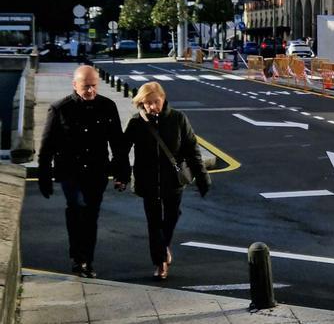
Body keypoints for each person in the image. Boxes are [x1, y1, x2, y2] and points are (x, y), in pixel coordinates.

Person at [38, 65, 128, 279]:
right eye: (86, 86)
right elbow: (46, 146)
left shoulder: (108, 106)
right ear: (75, 85)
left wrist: (121, 174)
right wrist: (44, 178)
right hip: (70, 172)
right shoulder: (60, 109)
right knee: (77, 206)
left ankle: (86, 260)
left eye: (94, 86)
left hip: (97, 172)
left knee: (91, 215)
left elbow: (118, 144)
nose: (90, 91)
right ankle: (78, 258)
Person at [118, 82, 210, 280]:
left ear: (163, 98)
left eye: (155, 102)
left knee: (171, 216)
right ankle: (160, 263)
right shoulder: (136, 122)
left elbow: (192, 149)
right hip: (147, 180)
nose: (152, 106)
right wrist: (122, 176)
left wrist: (202, 177)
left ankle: (164, 247)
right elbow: (122, 152)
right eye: (147, 103)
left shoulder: (178, 119)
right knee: (154, 223)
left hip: (173, 181)